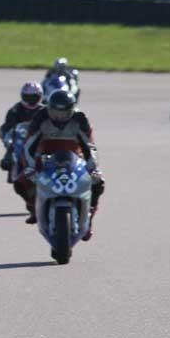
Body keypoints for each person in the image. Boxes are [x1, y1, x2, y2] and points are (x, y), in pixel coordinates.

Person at [21, 90, 105, 239]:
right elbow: (28, 145)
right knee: (20, 180)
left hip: (74, 159)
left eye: (64, 112)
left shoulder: (80, 118)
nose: (60, 117)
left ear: (71, 110)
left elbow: (90, 146)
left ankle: (89, 218)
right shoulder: (40, 117)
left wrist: (93, 168)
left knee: (98, 183)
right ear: (49, 109)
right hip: (46, 157)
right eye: (55, 112)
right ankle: (34, 207)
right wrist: (31, 167)